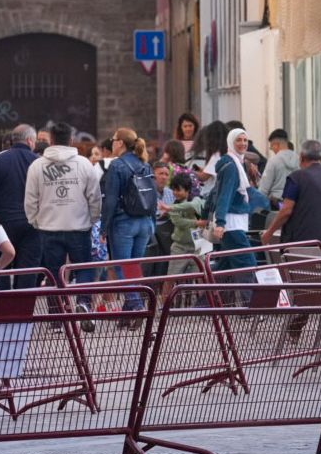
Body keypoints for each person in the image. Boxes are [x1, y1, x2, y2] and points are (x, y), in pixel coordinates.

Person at [24, 121, 102, 323]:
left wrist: (35, 221)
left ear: (50, 140)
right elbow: (95, 196)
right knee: (84, 267)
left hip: (49, 227)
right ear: (71, 140)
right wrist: (92, 218)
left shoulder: (37, 166)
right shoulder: (84, 164)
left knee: (53, 272)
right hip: (79, 227)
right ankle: (83, 303)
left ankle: (57, 314)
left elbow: (31, 199)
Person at [99, 128, 157, 318]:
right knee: (133, 268)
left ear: (120, 143)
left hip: (124, 223)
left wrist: (104, 227)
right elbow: (153, 197)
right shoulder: (144, 164)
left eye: (113, 140)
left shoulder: (117, 166)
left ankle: (136, 305)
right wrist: (152, 223)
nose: (112, 143)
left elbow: (110, 200)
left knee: (122, 267)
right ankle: (128, 311)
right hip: (144, 223)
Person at [0, 123, 43, 289]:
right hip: (32, 225)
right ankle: (23, 309)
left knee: (2, 268)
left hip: (4, 224)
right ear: (30, 141)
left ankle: (3, 307)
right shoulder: (39, 163)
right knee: (28, 270)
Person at [206, 127, 257, 276]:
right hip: (231, 223)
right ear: (230, 142)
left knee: (225, 270)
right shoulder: (231, 166)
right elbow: (224, 194)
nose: (243, 143)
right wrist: (220, 222)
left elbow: (216, 192)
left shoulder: (237, 163)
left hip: (234, 222)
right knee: (248, 265)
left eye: (245, 140)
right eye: (238, 140)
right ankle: (250, 300)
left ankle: (207, 300)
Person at [159, 173, 206, 275]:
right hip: (180, 247)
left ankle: (197, 292)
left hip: (198, 246)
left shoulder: (196, 200)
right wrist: (197, 222)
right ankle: (166, 292)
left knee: (201, 278)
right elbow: (179, 222)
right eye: (173, 190)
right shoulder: (173, 206)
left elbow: (191, 206)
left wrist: (170, 208)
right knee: (171, 278)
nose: (175, 193)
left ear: (187, 190)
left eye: (178, 190)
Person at [257, 129, 300, 208]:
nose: (272, 149)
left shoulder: (273, 161)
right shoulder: (299, 160)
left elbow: (264, 189)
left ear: (276, 145)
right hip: (295, 204)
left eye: (271, 146)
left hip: (276, 204)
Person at [190, 120, 228, 186]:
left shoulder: (216, 156)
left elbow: (203, 177)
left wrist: (188, 171)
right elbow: (210, 172)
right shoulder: (226, 154)